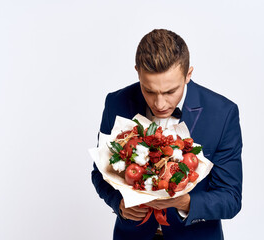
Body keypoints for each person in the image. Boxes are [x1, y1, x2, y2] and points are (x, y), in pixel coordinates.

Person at [91, 29, 243, 240]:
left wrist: (184, 202)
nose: (159, 104)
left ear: (188, 74)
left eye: (170, 92)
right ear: (137, 72)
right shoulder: (116, 102)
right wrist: (119, 204)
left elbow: (231, 198)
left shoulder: (222, 113)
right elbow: (100, 172)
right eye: (149, 91)